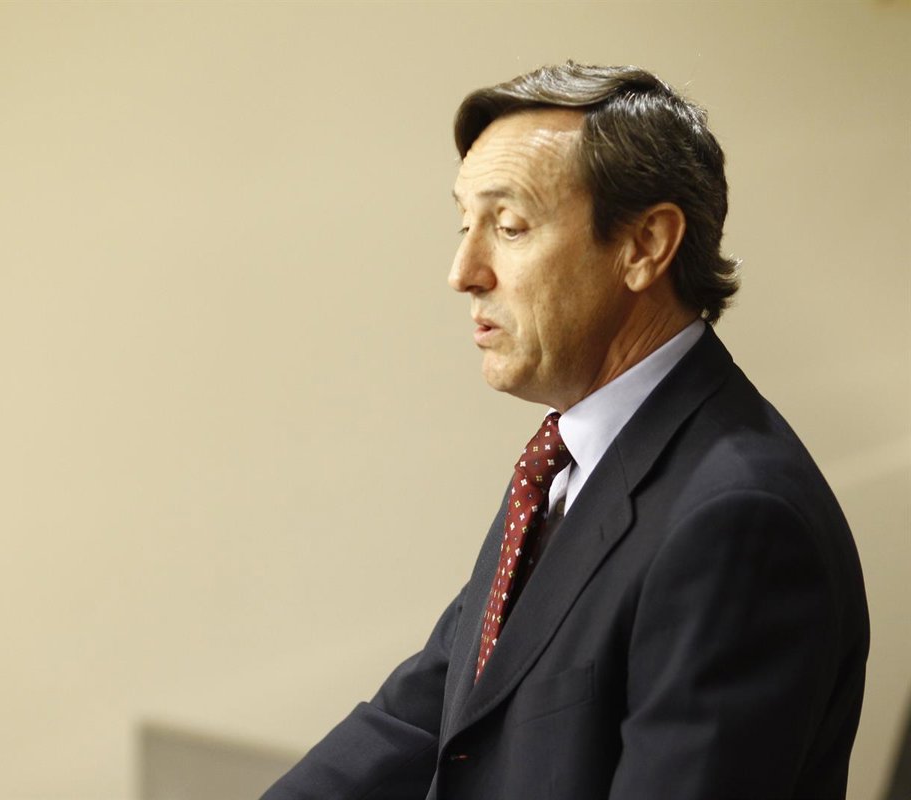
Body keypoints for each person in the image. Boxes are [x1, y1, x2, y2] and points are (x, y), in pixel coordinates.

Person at [261, 62, 869, 800]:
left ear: (644, 245)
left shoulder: (740, 521)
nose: (463, 271)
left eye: (509, 227)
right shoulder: (561, 464)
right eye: (464, 225)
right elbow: (422, 721)